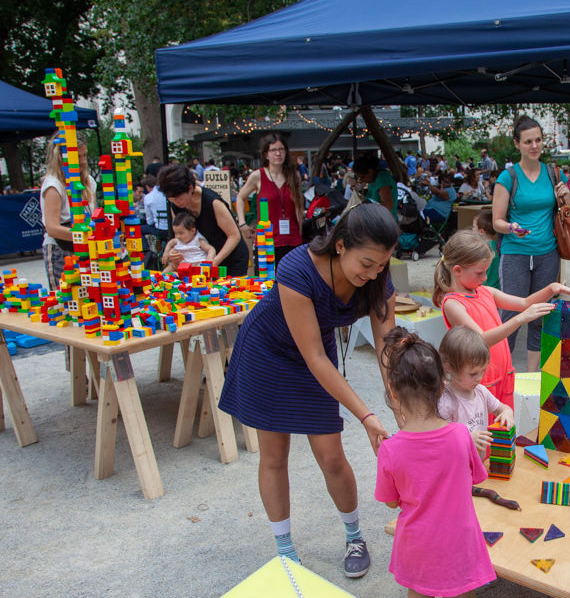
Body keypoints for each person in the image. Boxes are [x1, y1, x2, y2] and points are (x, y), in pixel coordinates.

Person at [219, 203, 398, 574]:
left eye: (381, 265)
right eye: (366, 264)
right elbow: (316, 358)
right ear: (340, 246)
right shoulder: (296, 268)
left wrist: (398, 402)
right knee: (274, 453)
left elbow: (388, 344)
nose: (374, 273)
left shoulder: (379, 275)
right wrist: (365, 415)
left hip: (315, 352)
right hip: (268, 352)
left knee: (331, 456)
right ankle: (284, 550)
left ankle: (354, 536)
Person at [375, 327, 496, 598]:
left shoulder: (390, 450)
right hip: (458, 540)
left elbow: (390, 501)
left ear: (394, 394)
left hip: (418, 543)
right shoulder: (461, 436)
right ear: (441, 385)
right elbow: (476, 476)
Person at [433, 230, 570, 409]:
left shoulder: (485, 292)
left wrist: (550, 289)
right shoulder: (453, 304)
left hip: (503, 374)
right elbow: (481, 339)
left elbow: (525, 303)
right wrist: (519, 320)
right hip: (480, 380)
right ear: (457, 270)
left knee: (504, 427)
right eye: (480, 273)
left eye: (486, 272)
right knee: (486, 431)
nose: (485, 278)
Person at [491, 116, 570, 372]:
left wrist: (566, 198)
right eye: (528, 141)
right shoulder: (508, 177)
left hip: (548, 253)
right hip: (515, 253)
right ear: (517, 144)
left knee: (542, 314)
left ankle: (532, 376)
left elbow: (569, 213)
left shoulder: (553, 174)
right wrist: (511, 228)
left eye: (538, 140)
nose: (534, 146)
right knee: (512, 314)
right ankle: (501, 372)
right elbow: (496, 221)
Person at [437, 326, 516, 458]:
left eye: (483, 371)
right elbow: (440, 442)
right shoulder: (446, 402)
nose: (479, 378)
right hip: (457, 471)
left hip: (478, 465)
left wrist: (507, 413)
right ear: (449, 367)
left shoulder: (481, 392)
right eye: (473, 374)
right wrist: (467, 440)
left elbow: (502, 408)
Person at [158, 164, 250, 276]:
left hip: (231, 259)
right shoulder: (175, 206)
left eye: (179, 198)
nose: (176, 202)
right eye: (172, 199)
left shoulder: (212, 202)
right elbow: (178, 233)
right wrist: (173, 252)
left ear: (190, 188)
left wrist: (212, 263)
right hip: (203, 260)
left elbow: (234, 236)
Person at [235, 133, 305, 267]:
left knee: (293, 283)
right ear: (266, 154)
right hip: (268, 242)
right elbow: (240, 197)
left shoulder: (294, 175)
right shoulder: (258, 176)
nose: (278, 153)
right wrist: (242, 223)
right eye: (273, 150)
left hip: (293, 240)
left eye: (281, 149)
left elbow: (298, 207)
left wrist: (300, 232)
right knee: (268, 283)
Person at [39, 134, 96, 290]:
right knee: (66, 297)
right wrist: (86, 235)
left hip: (85, 247)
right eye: (78, 156)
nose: (83, 161)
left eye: (84, 155)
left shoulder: (89, 181)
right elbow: (52, 228)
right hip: (61, 249)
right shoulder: (53, 185)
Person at [352, 153, 396, 217]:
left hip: (386, 221)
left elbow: (388, 206)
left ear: (370, 172)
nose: (361, 180)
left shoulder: (382, 179)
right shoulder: (372, 180)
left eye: (363, 177)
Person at [473, 210, 501, 289]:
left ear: (481, 231)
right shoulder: (498, 246)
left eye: (474, 227)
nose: (472, 229)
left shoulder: (480, 249)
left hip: (483, 288)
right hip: (497, 288)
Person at [142, 174, 169, 245]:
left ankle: (146, 251)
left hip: (159, 230)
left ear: (147, 186)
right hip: (172, 228)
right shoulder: (167, 192)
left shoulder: (148, 197)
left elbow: (150, 221)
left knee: (138, 229)